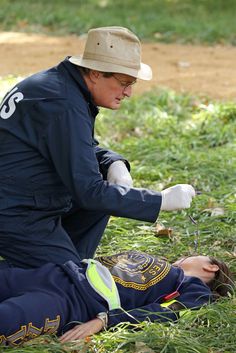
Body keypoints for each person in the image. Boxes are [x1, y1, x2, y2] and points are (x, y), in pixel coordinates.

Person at [0, 26, 196, 269]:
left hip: (28, 196)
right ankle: (63, 272)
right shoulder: (63, 104)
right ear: (95, 73)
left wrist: (113, 162)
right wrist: (159, 200)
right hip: (16, 213)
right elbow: (89, 191)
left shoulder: (60, 86)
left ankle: (68, 262)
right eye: (124, 82)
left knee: (103, 184)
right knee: (70, 285)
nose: (129, 92)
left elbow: (71, 148)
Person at [0, 250, 233, 346]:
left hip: (72, 304)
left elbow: (166, 312)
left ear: (211, 267)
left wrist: (104, 320)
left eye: (192, 255)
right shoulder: (163, 267)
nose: (183, 256)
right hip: (58, 274)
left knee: (7, 318)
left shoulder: (196, 290)